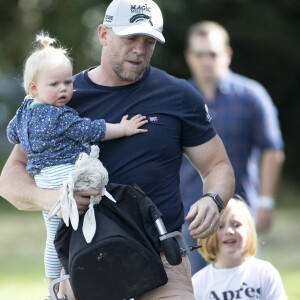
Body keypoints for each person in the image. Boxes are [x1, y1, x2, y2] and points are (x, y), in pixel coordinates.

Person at [0, 1, 235, 299]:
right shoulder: (61, 96)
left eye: (149, 42)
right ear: (103, 34)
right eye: (130, 38)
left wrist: (213, 200)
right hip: (85, 260)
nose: (139, 50)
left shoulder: (178, 95)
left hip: (163, 259)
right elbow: (9, 179)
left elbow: (218, 166)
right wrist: (55, 199)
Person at [6, 32, 148, 298]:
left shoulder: (25, 111)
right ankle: (63, 280)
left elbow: (12, 134)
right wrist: (124, 128)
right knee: (83, 219)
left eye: (67, 82)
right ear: (34, 88)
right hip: (63, 176)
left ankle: (54, 281)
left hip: (43, 178)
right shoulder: (57, 117)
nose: (63, 89)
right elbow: (92, 129)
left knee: (55, 232)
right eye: (55, 84)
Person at [180, 21, 285, 274]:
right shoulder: (178, 98)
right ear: (188, 56)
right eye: (199, 54)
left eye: (213, 54)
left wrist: (266, 202)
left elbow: (272, 149)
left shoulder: (252, 95)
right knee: (193, 290)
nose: (206, 60)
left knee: (240, 287)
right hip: (188, 215)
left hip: (239, 214)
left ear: (226, 54)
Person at [192, 197, 288, 299]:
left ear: (249, 230)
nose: (229, 231)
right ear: (208, 233)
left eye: (236, 225)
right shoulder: (199, 281)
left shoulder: (264, 273)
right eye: (220, 226)